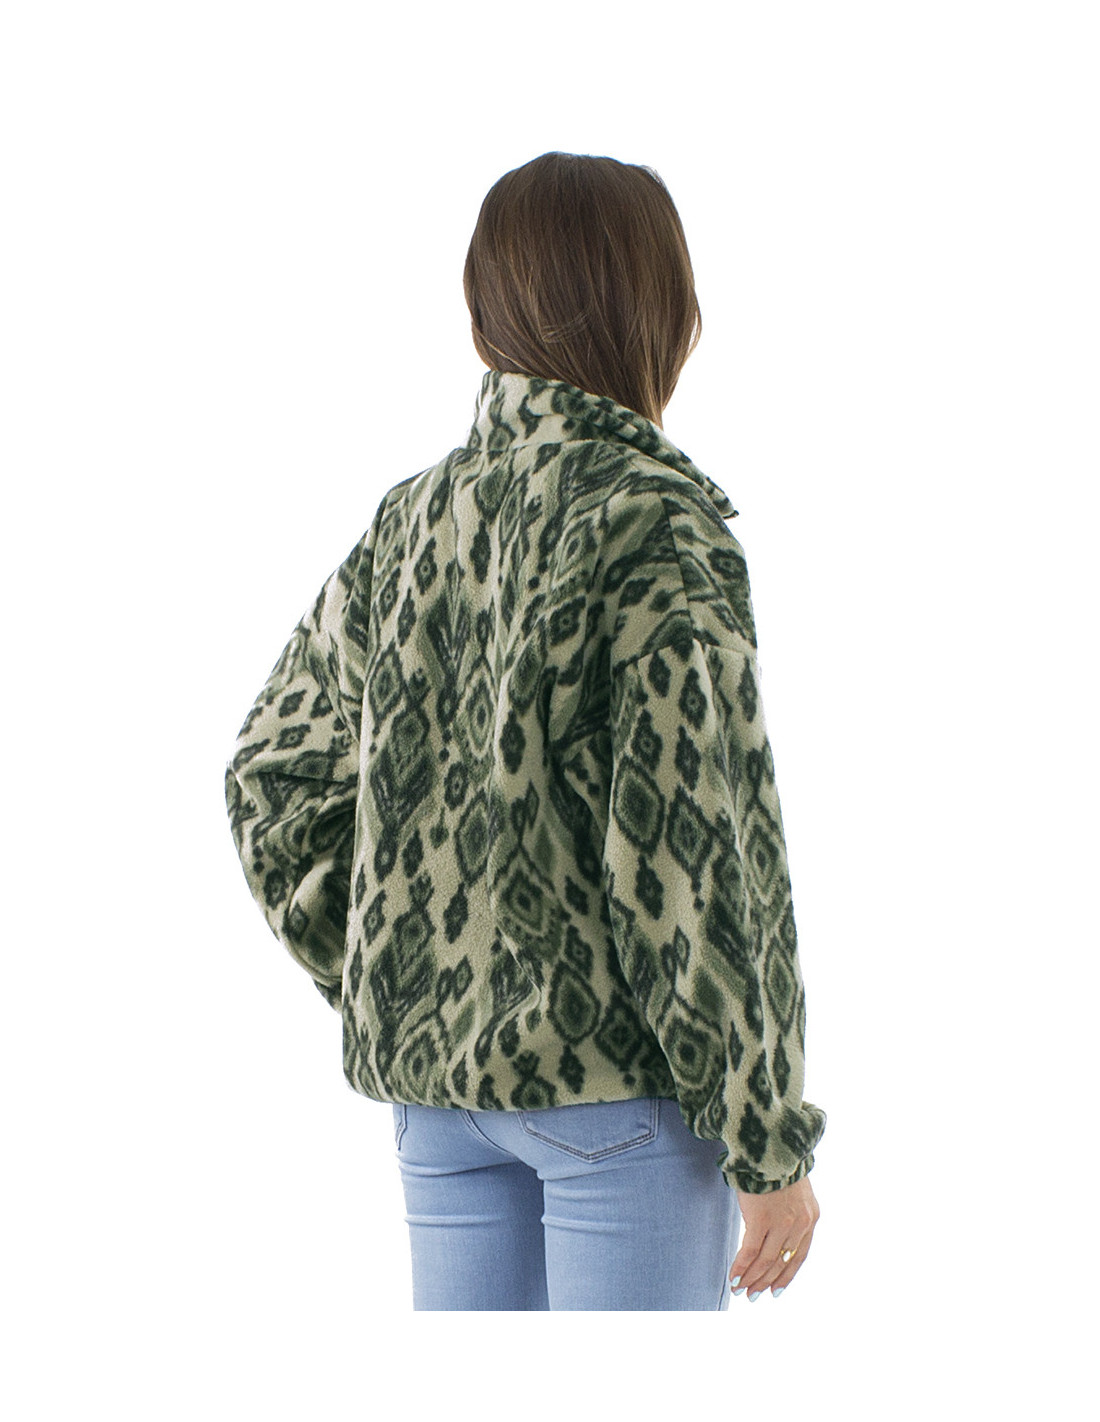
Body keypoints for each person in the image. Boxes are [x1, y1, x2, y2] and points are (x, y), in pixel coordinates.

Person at [224, 150, 826, 1310]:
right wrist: (764, 1138)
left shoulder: (411, 521)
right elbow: (694, 851)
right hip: (614, 1100)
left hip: (441, 1106)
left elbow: (272, 774)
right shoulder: (651, 522)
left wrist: (401, 973)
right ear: (664, 311)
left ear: (481, 314)